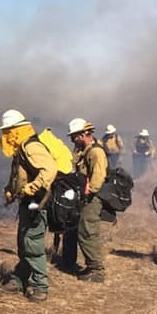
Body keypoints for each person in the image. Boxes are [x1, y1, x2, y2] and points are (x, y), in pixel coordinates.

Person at [0, 109, 57, 302]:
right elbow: (19, 175)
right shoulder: (21, 149)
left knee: (32, 244)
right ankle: (19, 279)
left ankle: (41, 286)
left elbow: (50, 169)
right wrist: (10, 189)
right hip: (27, 203)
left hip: (37, 204)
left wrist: (32, 187)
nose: (5, 136)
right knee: (23, 243)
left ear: (16, 130)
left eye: (7, 131)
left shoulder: (31, 147)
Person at [63, 118, 109, 282]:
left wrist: (88, 193)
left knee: (87, 232)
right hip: (82, 197)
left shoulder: (96, 152)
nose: (72, 140)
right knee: (75, 229)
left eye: (74, 136)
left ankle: (96, 270)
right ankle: (73, 263)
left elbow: (98, 177)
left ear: (83, 134)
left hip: (91, 199)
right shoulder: (83, 151)